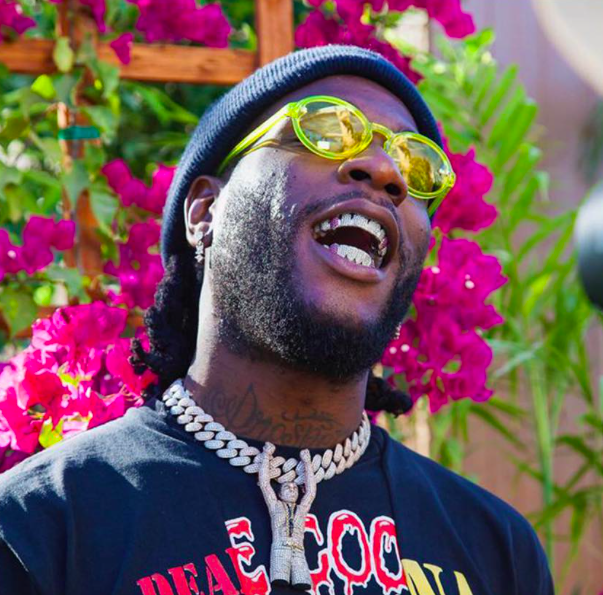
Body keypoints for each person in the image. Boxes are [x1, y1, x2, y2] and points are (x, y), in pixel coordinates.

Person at [0, 45, 554, 595]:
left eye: (417, 165)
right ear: (205, 211)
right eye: (325, 129)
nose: (387, 171)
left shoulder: (496, 550)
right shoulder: (40, 528)